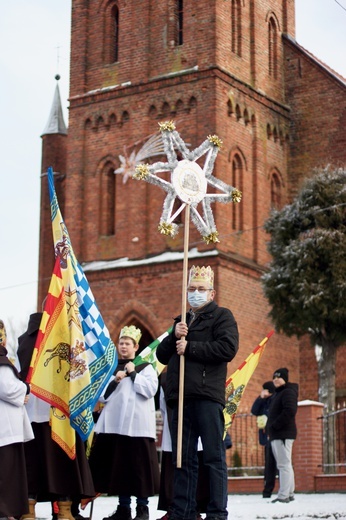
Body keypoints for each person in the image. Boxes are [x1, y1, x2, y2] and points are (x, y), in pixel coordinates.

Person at [156, 265, 239, 520]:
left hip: (206, 396)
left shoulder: (222, 316)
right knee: (183, 459)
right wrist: (174, 336)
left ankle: (216, 513)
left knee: (213, 457)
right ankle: (184, 511)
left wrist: (190, 347)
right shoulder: (182, 320)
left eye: (201, 289)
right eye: (192, 289)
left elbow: (227, 348)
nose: (196, 293)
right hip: (180, 398)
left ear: (211, 293)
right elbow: (161, 355)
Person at [17, 312, 95, 520]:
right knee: (61, 464)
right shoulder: (64, 336)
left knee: (33, 464)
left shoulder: (23, 340)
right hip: (59, 412)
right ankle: (64, 510)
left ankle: (29, 511)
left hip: (32, 414)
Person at [89, 325, 160, 520]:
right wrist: (116, 380)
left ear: (136, 346)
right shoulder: (112, 369)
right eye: (121, 343)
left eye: (127, 343)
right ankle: (124, 508)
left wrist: (133, 373)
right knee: (121, 469)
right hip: (116, 426)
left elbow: (150, 390)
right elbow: (102, 396)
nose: (123, 347)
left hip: (138, 427)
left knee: (139, 470)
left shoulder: (146, 368)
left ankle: (142, 509)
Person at [0, 319, 34, 520]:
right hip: (5, 430)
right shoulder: (2, 364)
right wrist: (25, 389)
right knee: (7, 475)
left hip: (6, 429)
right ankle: (5, 513)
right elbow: (7, 388)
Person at [266, 368, 298, 504]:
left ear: (285, 378)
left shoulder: (288, 392)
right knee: (285, 464)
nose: (276, 380)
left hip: (283, 434)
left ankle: (284, 495)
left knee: (283, 465)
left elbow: (290, 410)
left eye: (279, 377)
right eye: (274, 377)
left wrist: (274, 426)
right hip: (277, 434)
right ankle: (289, 493)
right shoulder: (278, 394)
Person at [251, 381, 277, 498]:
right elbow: (254, 411)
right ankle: (267, 490)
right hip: (266, 435)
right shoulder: (263, 401)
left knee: (279, 463)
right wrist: (260, 398)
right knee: (268, 463)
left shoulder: (275, 399)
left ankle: (285, 489)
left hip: (275, 435)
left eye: (265, 390)